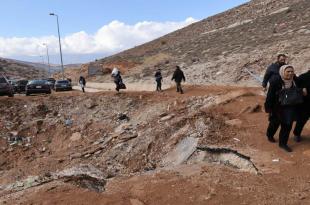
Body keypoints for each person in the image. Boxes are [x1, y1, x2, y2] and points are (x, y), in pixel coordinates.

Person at [264, 65, 304, 152]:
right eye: (288, 71)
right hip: (277, 107)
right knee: (274, 123)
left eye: (292, 71)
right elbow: (270, 96)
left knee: (287, 125)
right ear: (282, 72)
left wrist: (302, 90)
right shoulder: (276, 81)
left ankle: (283, 143)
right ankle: (269, 135)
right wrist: (268, 108)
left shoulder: (295, 80)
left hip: (290, 107)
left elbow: (301, 87)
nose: (290, 73)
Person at [293, 69, 310, 142]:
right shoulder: (303, 76)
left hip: (305, 104)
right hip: (305, 104)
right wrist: (302, 90)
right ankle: (297, 134)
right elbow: (296, 87)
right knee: (302, 120)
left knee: (302, 120)